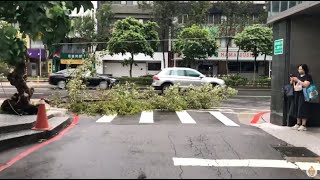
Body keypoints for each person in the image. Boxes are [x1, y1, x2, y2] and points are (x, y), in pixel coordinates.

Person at [289, 64, 313, 131]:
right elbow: (292, 84)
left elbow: (305, 85)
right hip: (297, 93)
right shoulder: (298, 76)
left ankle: (304, 125)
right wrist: (292, 81)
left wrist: (297, 80)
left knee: (303, 108)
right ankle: (298, 123)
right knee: (297, 108)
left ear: (304, 69)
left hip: (304, 95)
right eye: (299, 69)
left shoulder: (308, 76)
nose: (299, 70)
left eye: (301, 69)